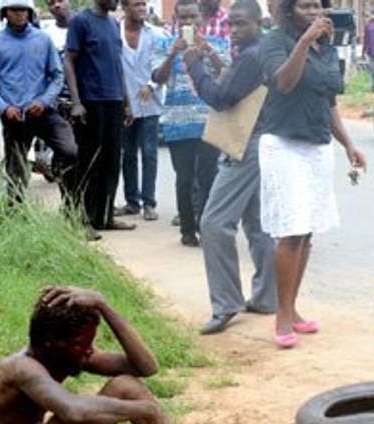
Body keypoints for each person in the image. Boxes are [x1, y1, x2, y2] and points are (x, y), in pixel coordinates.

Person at [259, 0, 367, 348]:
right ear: (289, 10)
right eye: (303, 5)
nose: (312, 10)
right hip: (284, 145)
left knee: (306, 233)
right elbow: (284, 84)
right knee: (290, 232)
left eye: (316, 5)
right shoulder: (275, 41)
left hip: (318, 147)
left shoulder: (329, 48)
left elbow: (329, 101)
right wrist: (304, 42)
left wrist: (349, 145)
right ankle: (281, 315)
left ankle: (292, 309)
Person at [182, 0, 277, 335]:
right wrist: (210, 57)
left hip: (245, 145)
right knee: (257, 224)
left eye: (241, 24)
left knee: (213, 223)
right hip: (261, 141)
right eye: (231, 24)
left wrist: (195, 66)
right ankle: (267, 297)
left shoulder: (252, 55)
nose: (234, 30)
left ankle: (225, 304)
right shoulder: (261, 50)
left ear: (258, 22)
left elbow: (221, 96)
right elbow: (238, 82)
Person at [0, 286, 174, 424]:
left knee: (126, 386)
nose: (89, 351)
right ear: (52, 341)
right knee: (95, 412)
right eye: (80, 344)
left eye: (90, 343)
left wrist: (104, 306)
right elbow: (74, 411)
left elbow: (146, 367)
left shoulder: (67, 355)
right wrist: (145, 409)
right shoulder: (20, 368)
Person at [0, 0, 77, 201]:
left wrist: (44, 101)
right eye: (14, 10)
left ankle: (72, 211)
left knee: (70, 150)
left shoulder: (43, 40)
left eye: (23, 10)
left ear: (30, 13)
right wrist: (4, 107)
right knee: (16, 173)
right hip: (14, 116)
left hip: (44, 112)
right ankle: (14, 216)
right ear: (5, 13)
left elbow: (57, 76)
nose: (19, 14)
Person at [152, 0, 229, 247]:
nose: (189, 23)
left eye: (193, 17)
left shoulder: (216, 43)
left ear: (202, 18)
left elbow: (226, 73)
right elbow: (157, 78)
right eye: (183, 18)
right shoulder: (164, 44)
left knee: (209, 177)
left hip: (211, 121)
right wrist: (174, 52)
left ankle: (204, 225)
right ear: (175, 19)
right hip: (177, 123)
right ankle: (187, 229)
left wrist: (206, 50)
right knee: (184, 178)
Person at [65, 0, 136, 235]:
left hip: (114, 101)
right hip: (91, 102)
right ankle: (82, 220)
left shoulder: (114, 24)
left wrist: (127, 102)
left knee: (111, 162)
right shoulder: (80, 21)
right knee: (89, 163)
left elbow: (117, 66)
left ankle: (104, 217)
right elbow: (69, 61)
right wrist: (76, 102)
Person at [114, 0, 163, 222]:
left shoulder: (155, 33)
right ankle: (132, 201)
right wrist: (124, 102)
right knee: (128, 154)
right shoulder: (115, 32)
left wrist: (151, 85)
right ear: (125, 7)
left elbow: (161, 65)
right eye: (136, 4)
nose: (142, 8)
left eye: (144, 4)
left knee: (150, 152)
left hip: (149, 101)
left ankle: (149, 203)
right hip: (124, 102)